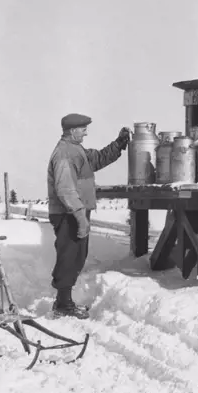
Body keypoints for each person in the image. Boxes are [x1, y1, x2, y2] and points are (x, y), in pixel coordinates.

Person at [47, 113, 131, 319]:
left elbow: (98, 158)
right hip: (69, 213)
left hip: (74, 212)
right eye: (83, 128)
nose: (86, 132)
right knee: (69, 257)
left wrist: (118, 144)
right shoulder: (65, 154)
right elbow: (65, 190)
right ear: (72, 130)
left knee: (76, 256)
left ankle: (63, 302)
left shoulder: (77, 150)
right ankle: (63, 305)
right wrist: (80, 217)